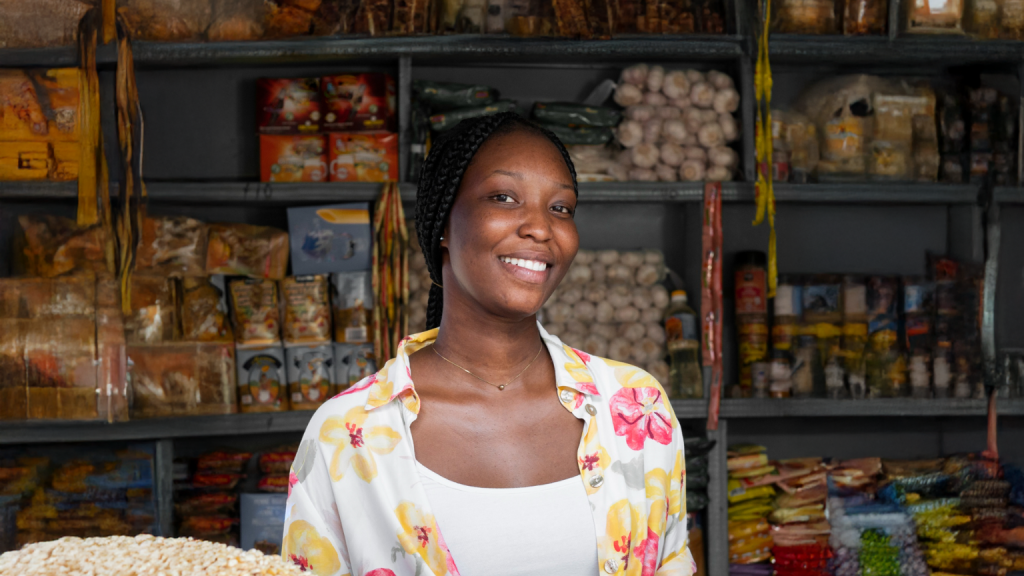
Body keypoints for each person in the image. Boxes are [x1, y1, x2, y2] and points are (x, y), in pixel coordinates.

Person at [283, 112, 693, 576]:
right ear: (442, 223)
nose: (540, 228)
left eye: (560, 208)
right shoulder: (346, 434)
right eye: (503, 197)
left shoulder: (635, 408)